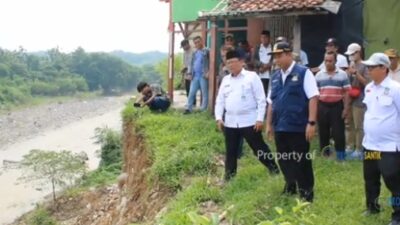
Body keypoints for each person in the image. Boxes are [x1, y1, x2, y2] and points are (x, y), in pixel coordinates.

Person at [215, 49, 280, 181]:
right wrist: (218, 118)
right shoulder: (226, 80)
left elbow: (261, 99)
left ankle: (274, 169)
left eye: (233, 62)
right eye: (228, 63)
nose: (230, 65)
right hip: (230, 121)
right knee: (231, 151)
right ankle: (229, 177)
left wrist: (259, 119)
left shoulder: (252, 77)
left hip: (249, 121)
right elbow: (220, 100)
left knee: (259, 148)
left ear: (241, 62)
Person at [266, 42, 319, 202]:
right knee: (283, 158)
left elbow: (313, 97)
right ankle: (290, 184)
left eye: (279, 56)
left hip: (298, 126)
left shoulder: (303, 73)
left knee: (301, 159)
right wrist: (269, 124)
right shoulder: (275, 76)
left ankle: (306, 192)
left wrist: (311, 123)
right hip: (280, 126)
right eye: (275, 57)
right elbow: (271, 102)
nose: (277, 60)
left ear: (289, 54)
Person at [361, 52, 400, 225]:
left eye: (372, 67)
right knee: (370, 178)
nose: (368, 70)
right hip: (370, 145)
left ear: (383, 68)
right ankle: (372, 207)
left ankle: (398, 215)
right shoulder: (368, 87)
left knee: (394, 182)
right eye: (367, 66)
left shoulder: (396, 89)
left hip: (389, 147)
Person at [315, 52, 351, 161]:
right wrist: (316, 110)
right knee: (323, 132)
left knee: (338, 132)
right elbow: (316, 94)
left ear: (335, 61)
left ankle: (341, 156)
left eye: (330, 61)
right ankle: (325, 155)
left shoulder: (342, 74)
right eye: (326, 60)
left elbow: (347, 92)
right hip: (322, 106)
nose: (327, 63)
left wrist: (346, 108)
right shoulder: (319, 75)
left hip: (337, 106)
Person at [345, 43, 369, 160]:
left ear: (358, 52)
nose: (351, 56)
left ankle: (359, 149)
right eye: (349, 54)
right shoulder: (351, 65)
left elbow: (367, 83)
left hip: (360, 100)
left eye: (352, 54)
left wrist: (356, 73)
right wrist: (348, 73)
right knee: (349, 124)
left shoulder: (365, 66)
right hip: (350, 98)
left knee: (359, 126)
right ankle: (350, 146)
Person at [184, 36, 209, 114]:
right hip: (195, 76)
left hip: (203, 75)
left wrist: (209, 72)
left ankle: (203, 110)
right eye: (195, 43)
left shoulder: (207, 51)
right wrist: (189, 73)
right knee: (191, 92)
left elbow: (212, 62)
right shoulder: (194, 53)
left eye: (198, 42)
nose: (197, 44)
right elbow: (191, 64)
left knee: (204, 93)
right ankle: (188, 108)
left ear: (202, 41)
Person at [253, 30, 273, 97]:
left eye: (265, 37)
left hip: (270, 74)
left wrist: (266, 67)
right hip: (260, 74)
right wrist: (261, 65)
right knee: (261, 93)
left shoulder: (273, 47)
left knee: (270, 93)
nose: (263, 39)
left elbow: (275, 60)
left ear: (269, 38)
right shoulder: (258, 48)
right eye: (262, 38)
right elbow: (254, 60)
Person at [180, 39, 196, 106]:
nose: (183, 48)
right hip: (186, 73)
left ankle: (193, 103)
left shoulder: (193, 51)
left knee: (192, 88)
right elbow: (184, 63)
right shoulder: (184, 52)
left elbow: (193, 63)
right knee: (187, 88)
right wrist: (183, 69)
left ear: (187, 44)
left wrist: (186, 68)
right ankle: (189, 102)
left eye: (184, 46)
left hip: (193, 73)